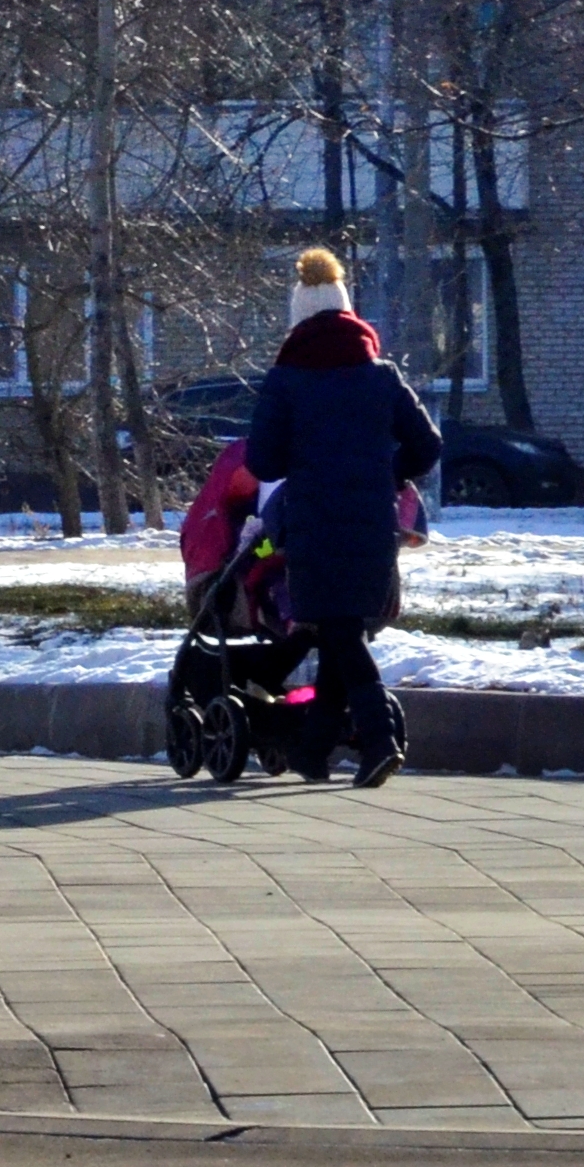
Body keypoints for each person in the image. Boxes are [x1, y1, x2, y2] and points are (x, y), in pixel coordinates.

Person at [245, 247, 439, 788]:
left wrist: (304, 455)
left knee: (339, 630)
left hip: (315, 520)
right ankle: (313, 751)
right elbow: (428, 445)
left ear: (299, 315)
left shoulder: (287, 380)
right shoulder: (381, 376)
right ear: (348, 311)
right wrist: (387, 473)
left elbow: (261, 460)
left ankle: (380, 741)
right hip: (374, 521)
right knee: (342, 627)